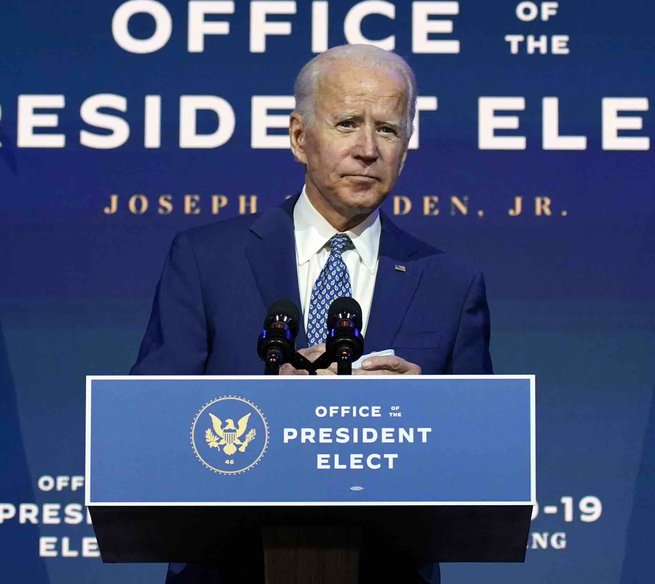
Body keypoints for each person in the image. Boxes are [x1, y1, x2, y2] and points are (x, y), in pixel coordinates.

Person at [132, 44, 492, 583]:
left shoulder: (450, 282)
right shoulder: (207, 259)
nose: (368, 149)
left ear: (407, 146)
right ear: (300, 137)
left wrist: (428, 410)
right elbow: (149, 420)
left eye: (389, 129)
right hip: (228, 566)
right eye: (347, 123)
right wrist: (273, 398)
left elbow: (482, 457)